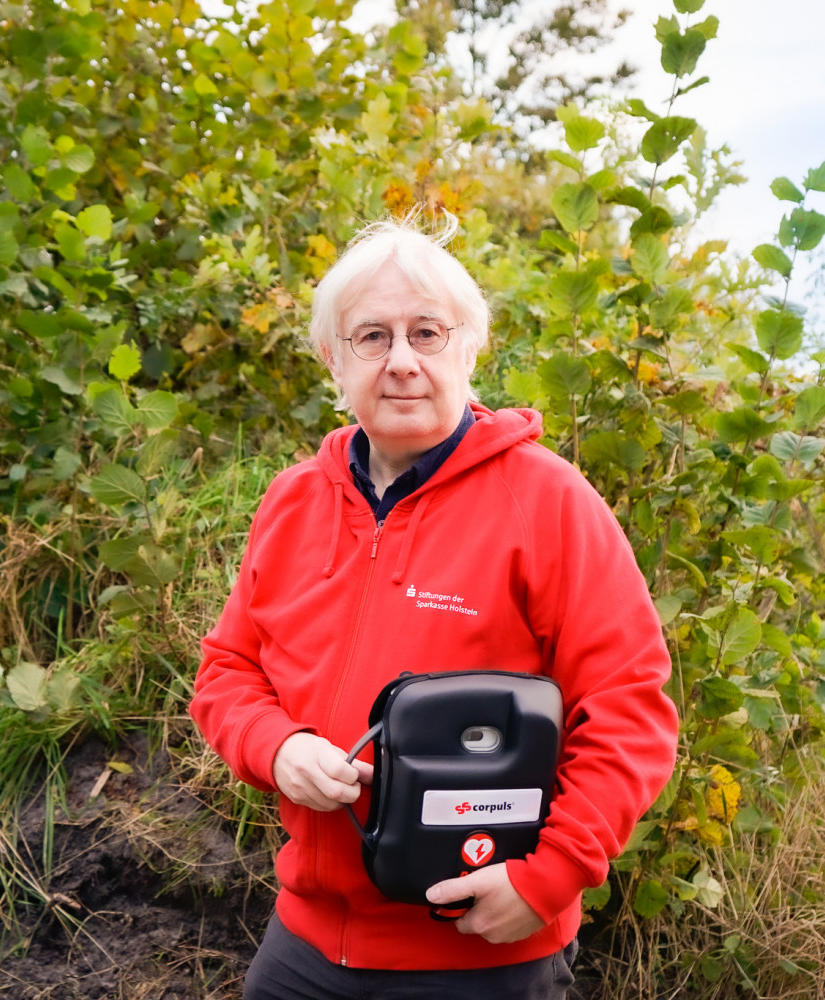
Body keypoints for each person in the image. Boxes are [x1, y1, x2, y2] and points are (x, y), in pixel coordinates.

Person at [189, 215, 678, 999]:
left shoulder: (549, 503)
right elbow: (227, 672)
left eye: (427, 333)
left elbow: (629, 711)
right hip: (308, 945)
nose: (403, 363)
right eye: (373, 338)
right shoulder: (292, 503)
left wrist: (549, 878)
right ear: (332, 360)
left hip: (479, 955)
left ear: (470, 349)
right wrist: (276, 747)